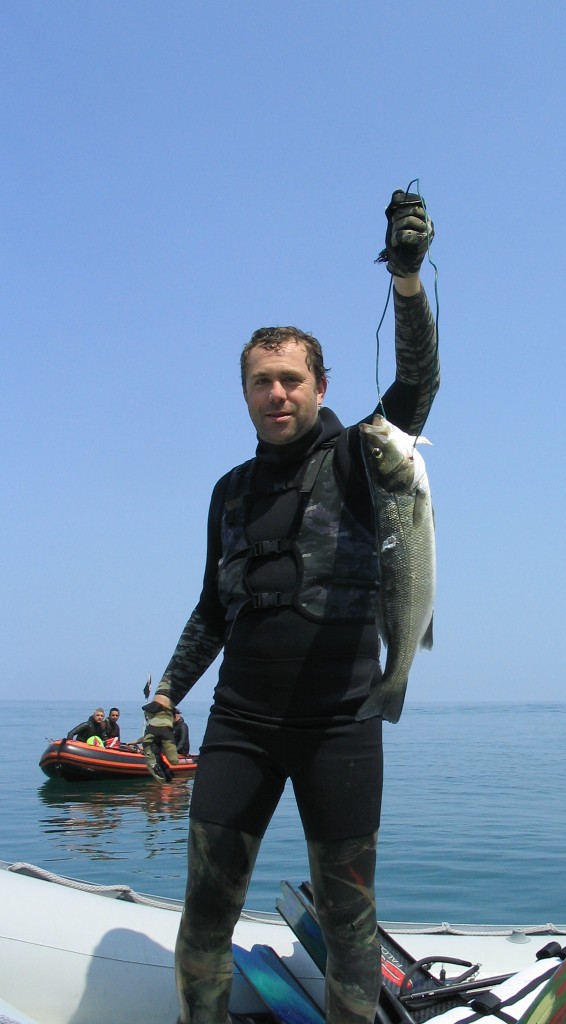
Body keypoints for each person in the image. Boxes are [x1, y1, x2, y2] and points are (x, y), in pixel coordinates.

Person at [142, 189, 438, 1024]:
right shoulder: (228, 492)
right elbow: (212, 608)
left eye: (292, 380)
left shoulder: (364, 459)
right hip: (240, 723)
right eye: (262, 382)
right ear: (244, 394)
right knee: (203, 920)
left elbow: (419, 383)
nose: (278, 394)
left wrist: (407, 282)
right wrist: (167, 693)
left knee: (350, 926)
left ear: (320, 385)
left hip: (342, 721)